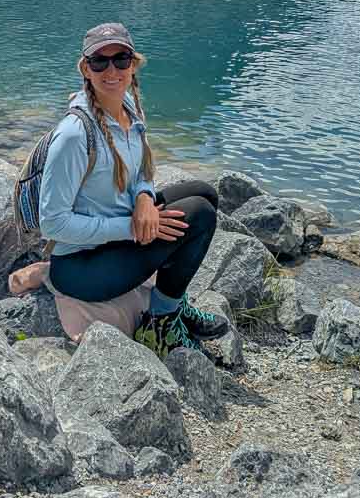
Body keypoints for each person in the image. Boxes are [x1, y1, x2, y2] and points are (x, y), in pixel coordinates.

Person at [38, 21, 229, 356]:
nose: (111, 70)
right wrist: (129, 227)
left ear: (133, 64)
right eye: (100, 61)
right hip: (81, 267)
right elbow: (52, 223)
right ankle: (161, 323)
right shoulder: (73, 135)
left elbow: (142, 168)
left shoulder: (128, 105)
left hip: (117, 233)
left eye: (121, 60)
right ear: (86, 69)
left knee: (205, 192)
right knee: (199, 214)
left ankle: (174, 303)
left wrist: (143, 197)